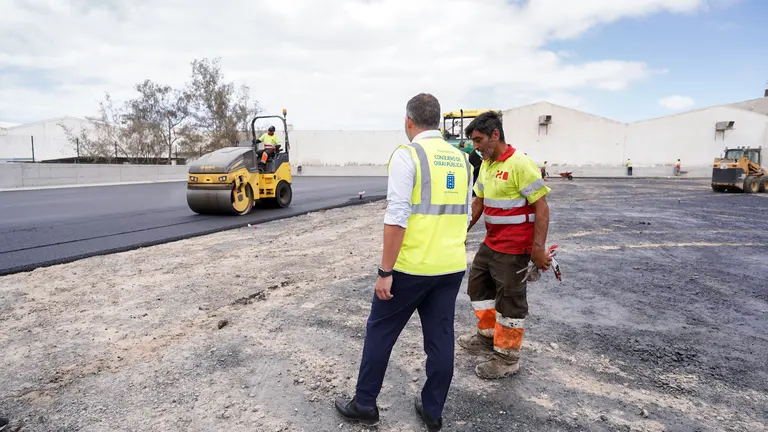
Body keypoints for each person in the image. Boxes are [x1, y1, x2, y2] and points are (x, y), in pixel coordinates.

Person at [334, 93, 472, 431]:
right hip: (451, 266)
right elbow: (465, 215)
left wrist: (385, 271)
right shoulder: (463, 160)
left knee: (380, 331)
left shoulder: (408, 154)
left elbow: (397, 218)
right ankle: (432, 410)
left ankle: (365, 403)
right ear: (437, 121)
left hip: (411, 267)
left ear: (409, 121)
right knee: (440, 340)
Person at [457, 110, 552, 379]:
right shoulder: (486, 165)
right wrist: (463, 230)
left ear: (495, 135)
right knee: (478, 286)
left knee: (510, 300)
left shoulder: (520, 164)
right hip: (492, 242)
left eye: (478, 140)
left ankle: (507, 357)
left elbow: (542, 208)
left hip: (515, 248)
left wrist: (537, 249)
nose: (475, 147)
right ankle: (487, 337)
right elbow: (478, 203)